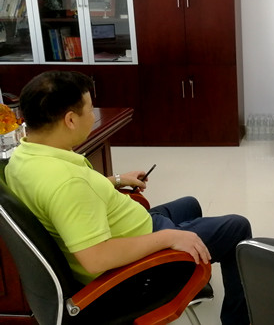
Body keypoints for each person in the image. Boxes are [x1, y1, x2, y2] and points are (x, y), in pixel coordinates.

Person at [5, 71, 252, 325]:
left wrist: (117, 180)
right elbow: (96, 258)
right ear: (70, 120)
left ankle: (192, 275)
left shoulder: (22, 158)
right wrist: (170, 238)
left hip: (128, 228)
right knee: (237, 228)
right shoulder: (69, 183)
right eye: (90, 110)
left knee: (190, 204)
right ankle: (236, 320)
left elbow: (62, 198)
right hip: (135, 269)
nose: (92, 116)